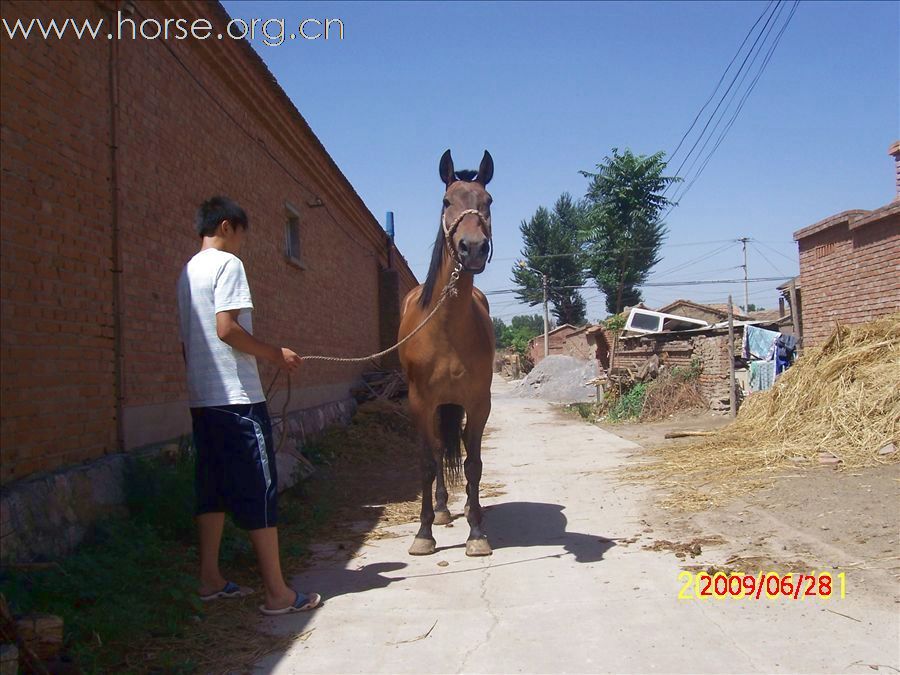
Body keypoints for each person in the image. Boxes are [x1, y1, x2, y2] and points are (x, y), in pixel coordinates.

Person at [176, 196, 321, 615]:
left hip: (203, 401)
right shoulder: (228, 265)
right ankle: (277, 594)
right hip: (238, 399)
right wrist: (276, 353)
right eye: (241, 234)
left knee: (212, 490)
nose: (241, 244)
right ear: (226, 226)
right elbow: (226, 329)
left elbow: (190, 342)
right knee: (260, 490)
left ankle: (209, 579)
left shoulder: (187, 272)